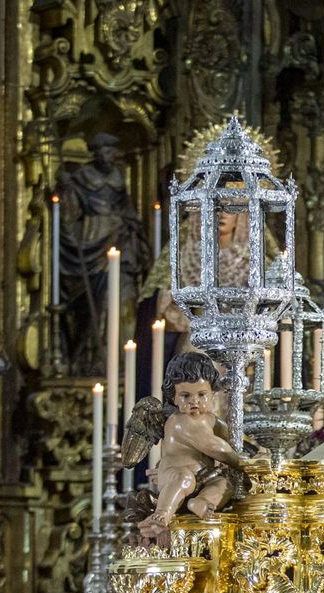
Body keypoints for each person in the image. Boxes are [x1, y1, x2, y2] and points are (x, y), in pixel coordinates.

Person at [57, 133, 148, 374]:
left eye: (112, 151)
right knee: (96, 299)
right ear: (95, 153)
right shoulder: (81, 178)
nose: (110, 156)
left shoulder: (118, 177)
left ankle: (122, 358)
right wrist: (65, 189)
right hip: (93, 238)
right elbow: (70, 213)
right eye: (105, 151)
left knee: (125, 293)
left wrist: (133, 227)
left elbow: (126, 208)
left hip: (121, 238)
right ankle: (93, 357)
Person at [140, 352, 246, 538]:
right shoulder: (180, 421)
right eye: (185, 395)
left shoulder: (213, 420)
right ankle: (163, 513)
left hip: (205, 477)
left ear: (213, 394)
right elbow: (214, 447)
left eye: (202, 394)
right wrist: (243, 464)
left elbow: (230, 441)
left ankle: (202, 502)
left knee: (224, 485)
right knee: (185, 479)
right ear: (173, 397)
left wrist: (250, 453)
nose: (194, 401)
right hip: (175, 473)